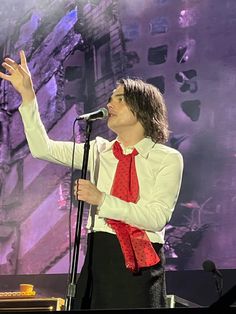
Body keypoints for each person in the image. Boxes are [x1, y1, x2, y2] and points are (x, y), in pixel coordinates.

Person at [0, 50, 184, 310]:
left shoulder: (167, 158)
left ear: (142, 107)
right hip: (101, 255)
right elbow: (43, 148)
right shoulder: (98, 151)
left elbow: (156, 217)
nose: (110, 104)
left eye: (119, 98)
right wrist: (29, 97)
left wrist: (101, 199)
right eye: (110, 99)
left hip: (142, 261)